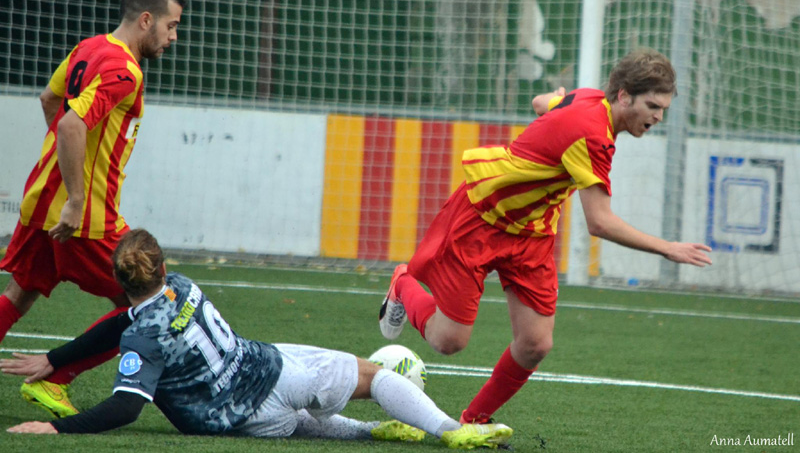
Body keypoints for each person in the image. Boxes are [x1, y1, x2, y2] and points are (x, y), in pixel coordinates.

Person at [378, 49, 713, 425]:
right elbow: (599, 222)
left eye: (664, 108)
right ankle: (403, 282)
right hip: (482, 218)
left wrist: (554, 108)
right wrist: (668, 248)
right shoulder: (593, 136)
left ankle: (474, 421)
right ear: (623, 96)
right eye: (653, 105)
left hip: (531, 233)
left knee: (536, 344)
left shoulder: (589, 99)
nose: (658, 116)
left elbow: (542, 101)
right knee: (449, 342)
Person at [1, 230, 512, 450]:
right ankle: (450, 431)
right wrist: (56, 405)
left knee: (303, 426)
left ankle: (369, 434)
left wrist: (55, 382)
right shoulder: (181, 285)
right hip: (266, 370)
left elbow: (125, 382)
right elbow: (123, 400)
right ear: (162, 266)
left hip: (235, 423)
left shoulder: (141, 334)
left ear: (124, 284)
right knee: (372, 374)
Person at [0, 0, 186, 418]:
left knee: (18, 293)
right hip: (82, 218)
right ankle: (57, 377)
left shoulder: (88, 47)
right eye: (171, 26)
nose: (173, 37)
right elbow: (69, 124)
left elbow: (50, 100)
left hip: (38, 200)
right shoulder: (125, 70)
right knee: (155, 301)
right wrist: (78, 197)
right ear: (146, 20)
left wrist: (60, 173)